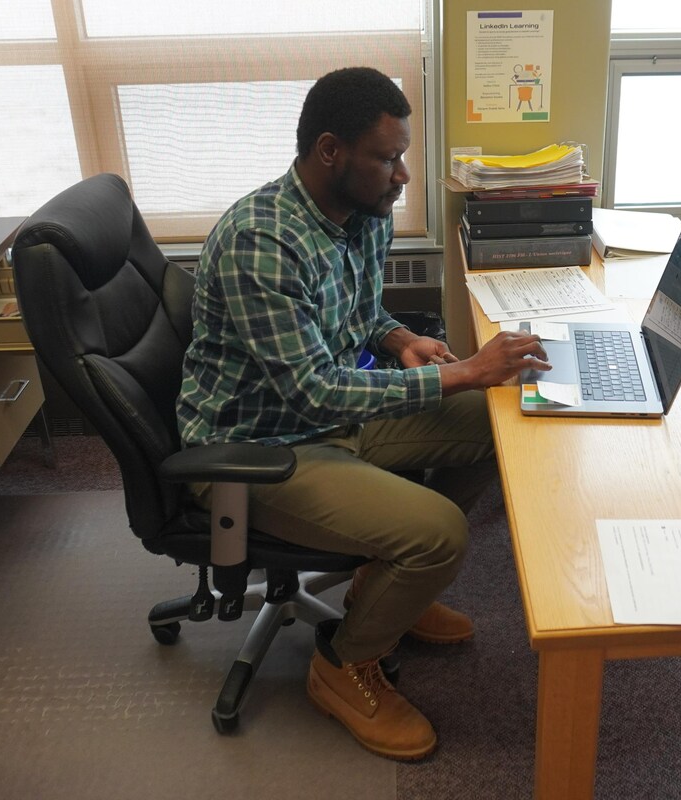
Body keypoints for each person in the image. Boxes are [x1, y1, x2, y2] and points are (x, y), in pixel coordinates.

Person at [177, 66, 550, 760]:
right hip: (259, 446)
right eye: (387, 158)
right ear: (330, 151)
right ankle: (343, 665)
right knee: (438, 533)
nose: (403, 174)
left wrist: (400, 338)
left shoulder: (362, 214)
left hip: (333, 413)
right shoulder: (263, 242)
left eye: (401, 155)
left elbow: (360, 313)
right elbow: (314, 392)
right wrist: (463, 370)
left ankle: (385, 590)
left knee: (496, 421)